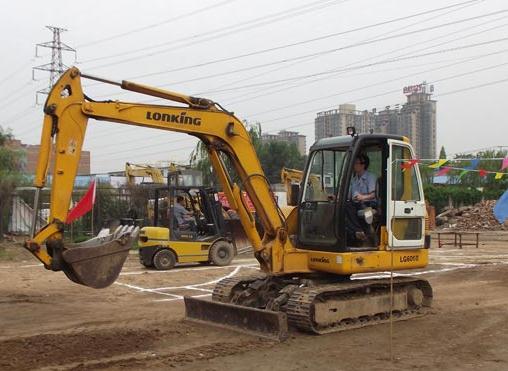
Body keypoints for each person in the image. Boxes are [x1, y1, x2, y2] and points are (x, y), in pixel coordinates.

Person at [345, 153, 377, 243]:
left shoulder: (371, 177)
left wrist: (362, 197)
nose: (354, 166)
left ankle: (358, 231)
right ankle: (357, 233)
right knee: (344, 206)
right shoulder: (353, 180)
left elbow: (373, 195)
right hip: (356, 203)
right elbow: (348, 196)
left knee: (355, 207)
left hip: (369, 202)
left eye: (356, 163)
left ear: (363, 165)